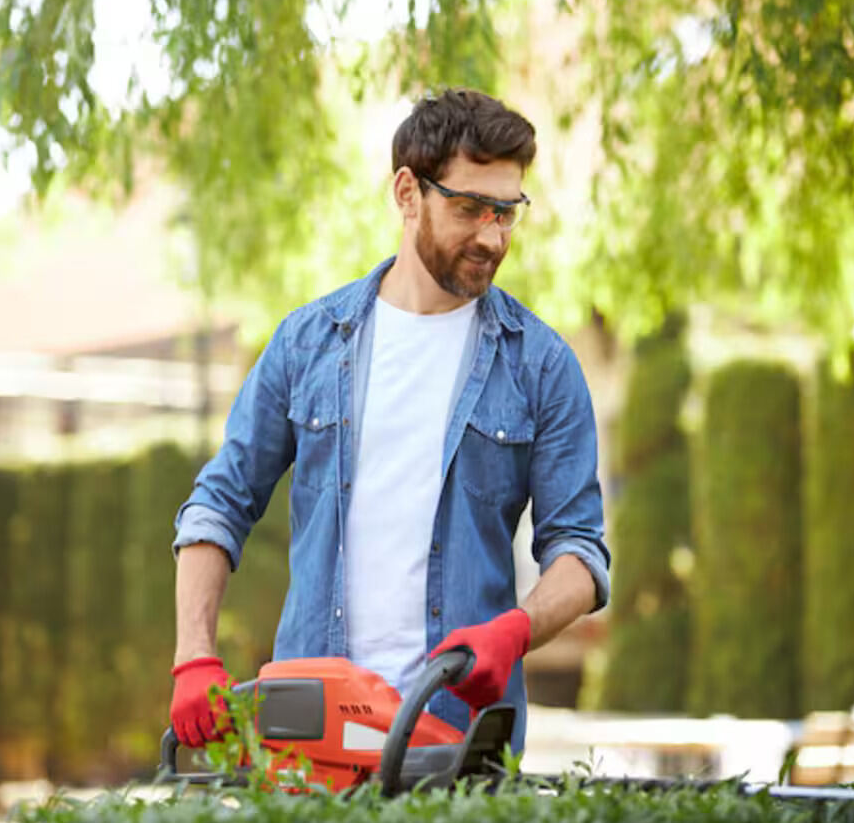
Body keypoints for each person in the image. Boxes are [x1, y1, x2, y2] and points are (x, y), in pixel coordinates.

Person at [168, 88, 610, 755]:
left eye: (507, 213)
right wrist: (193, 657)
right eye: (469, 209)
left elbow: (580, 552)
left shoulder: (540, 367)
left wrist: (515, 631)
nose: (492, 236)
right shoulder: (309, 344)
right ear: (407, 193)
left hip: (458, 746)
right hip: (312, 736)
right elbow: (219, 504)